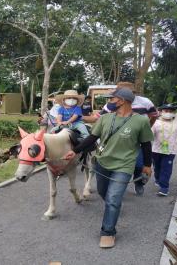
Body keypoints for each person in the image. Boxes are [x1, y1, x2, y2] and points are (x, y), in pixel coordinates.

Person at [63, 87, 153, 248]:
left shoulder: (141, 121)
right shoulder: (105, 118)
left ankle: (108, 232)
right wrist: (74, 151)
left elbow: (146, 145)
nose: (109, 101)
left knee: (112, 198)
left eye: (112, 99)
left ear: (122, 101)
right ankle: (114, 205)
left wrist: (147, 165)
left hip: (124, 166)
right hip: (102, 162)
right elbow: (92, 138)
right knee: (105, 193)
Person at [100, 82, 158, 196]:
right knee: (117, 162)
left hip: (138, 139)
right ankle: (117, 187)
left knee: (139, 164)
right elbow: (100, 118)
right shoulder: (112, 104)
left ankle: (138, 183)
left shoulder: (145, 102)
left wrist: (147, 127)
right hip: (119, 140)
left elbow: (154, 115)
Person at [151, 104, 177, 196]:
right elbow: (149, 134)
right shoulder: (155, 123)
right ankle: (158, 178)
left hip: (170, 150)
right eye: (166, 111)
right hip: (156, 150)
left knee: (166, 168)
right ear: (161, 112)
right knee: (157, 167)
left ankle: (164, 188)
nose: (168, 113)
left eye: (171, 111)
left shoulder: (176, 123)